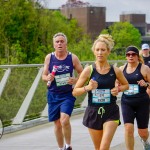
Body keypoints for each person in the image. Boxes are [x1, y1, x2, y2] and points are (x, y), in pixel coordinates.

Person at [72, 34, 129, 150]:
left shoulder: (115, 71)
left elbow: (126, 85)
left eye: (103, 50)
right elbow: (75, 92)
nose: (100, 53)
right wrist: (88, 87)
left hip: (110, 111)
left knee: (104, 147)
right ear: (94, 52)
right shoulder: (89, 70)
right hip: (93, 112)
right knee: (98, 148)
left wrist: (118, 89)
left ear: (108, 52)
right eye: (97, 50)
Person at [42, 32, 83, 150]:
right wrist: (48, 77)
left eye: (62, 41)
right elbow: (43, 76)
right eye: (57, 42)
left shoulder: (72, 58)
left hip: (67, 95)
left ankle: (68, 145)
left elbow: (82, 73)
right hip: (53, 94)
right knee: (57, 124)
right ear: (54, 45)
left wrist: (75, 80)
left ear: (66, 44)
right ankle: (61, 148)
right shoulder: (49, 57)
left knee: (64, 120)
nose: (59, 43)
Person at [119, 46, 150, 150]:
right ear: (126, 57)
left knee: (143, 132)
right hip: (127, 102)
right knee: (128, 128)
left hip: (142, 102)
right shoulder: (121, 69)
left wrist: (145, 84)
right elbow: (116, 84)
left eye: (133, 54)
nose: (130, 56)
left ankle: (145, 142)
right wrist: (117, 88)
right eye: (128, 54)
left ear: (137, 56)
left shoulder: (144, 68)